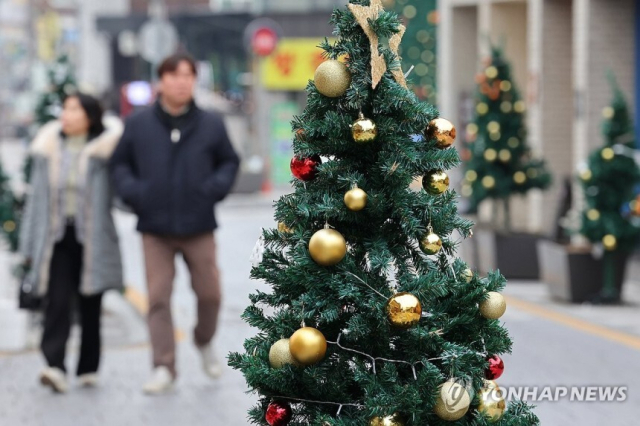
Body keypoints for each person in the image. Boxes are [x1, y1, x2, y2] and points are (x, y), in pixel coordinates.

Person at [109, 52, 240, 394]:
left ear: (194, 80)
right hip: (154, 228)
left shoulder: (211, 123)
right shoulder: (138, 124)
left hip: (199, 224)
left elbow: (229, 161)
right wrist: (136, 192)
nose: (181, 82)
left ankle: (203, 340)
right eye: (173, 75)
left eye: (187, 75)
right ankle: (163, 366)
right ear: (161, 81)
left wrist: (211, 190)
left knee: (210, 294)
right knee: (157, 298)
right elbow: (119, 164)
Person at [19, 93, 124, 393]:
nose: (66, 114)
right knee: (57, 301)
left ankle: (88, 368)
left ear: (89, 116)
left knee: (91, 302)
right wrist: (27, 247)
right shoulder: (48, 148)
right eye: (64, 108)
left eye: (74, 109)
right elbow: (35, 200)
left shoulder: (105, 151)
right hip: (56, 238)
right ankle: (55, 366)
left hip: (93, 237)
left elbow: (120, 196)